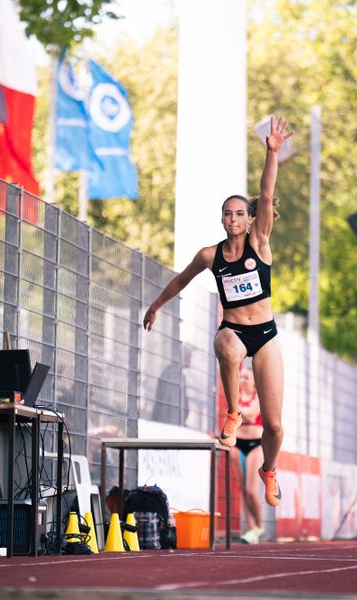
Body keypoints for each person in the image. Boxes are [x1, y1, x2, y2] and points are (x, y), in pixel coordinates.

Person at [143, 116, 293, 507]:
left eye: (240, 213)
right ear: (222, 220)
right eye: (227, 214)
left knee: (275, 426)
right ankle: (233, 412)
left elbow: (266, 187)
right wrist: (157, 305)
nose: (233, 219)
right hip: (235, 331)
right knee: (224, 342)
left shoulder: (259, 243)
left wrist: (271, 151)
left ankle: (270, 470)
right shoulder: (211, 255)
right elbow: (181, 280)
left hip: (266, 337)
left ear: (250, 218)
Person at [232, 364, 264, 544]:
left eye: (246, 378)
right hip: (237, 443)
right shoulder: (236, 396)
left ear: (253, 382)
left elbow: (252, 416)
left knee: (252, 490)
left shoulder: (257, 397)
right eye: (241, 377)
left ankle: (259, 526)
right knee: (242, 489)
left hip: (255, 444)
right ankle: (251, 529)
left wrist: (236, 409)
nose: (242, 380)